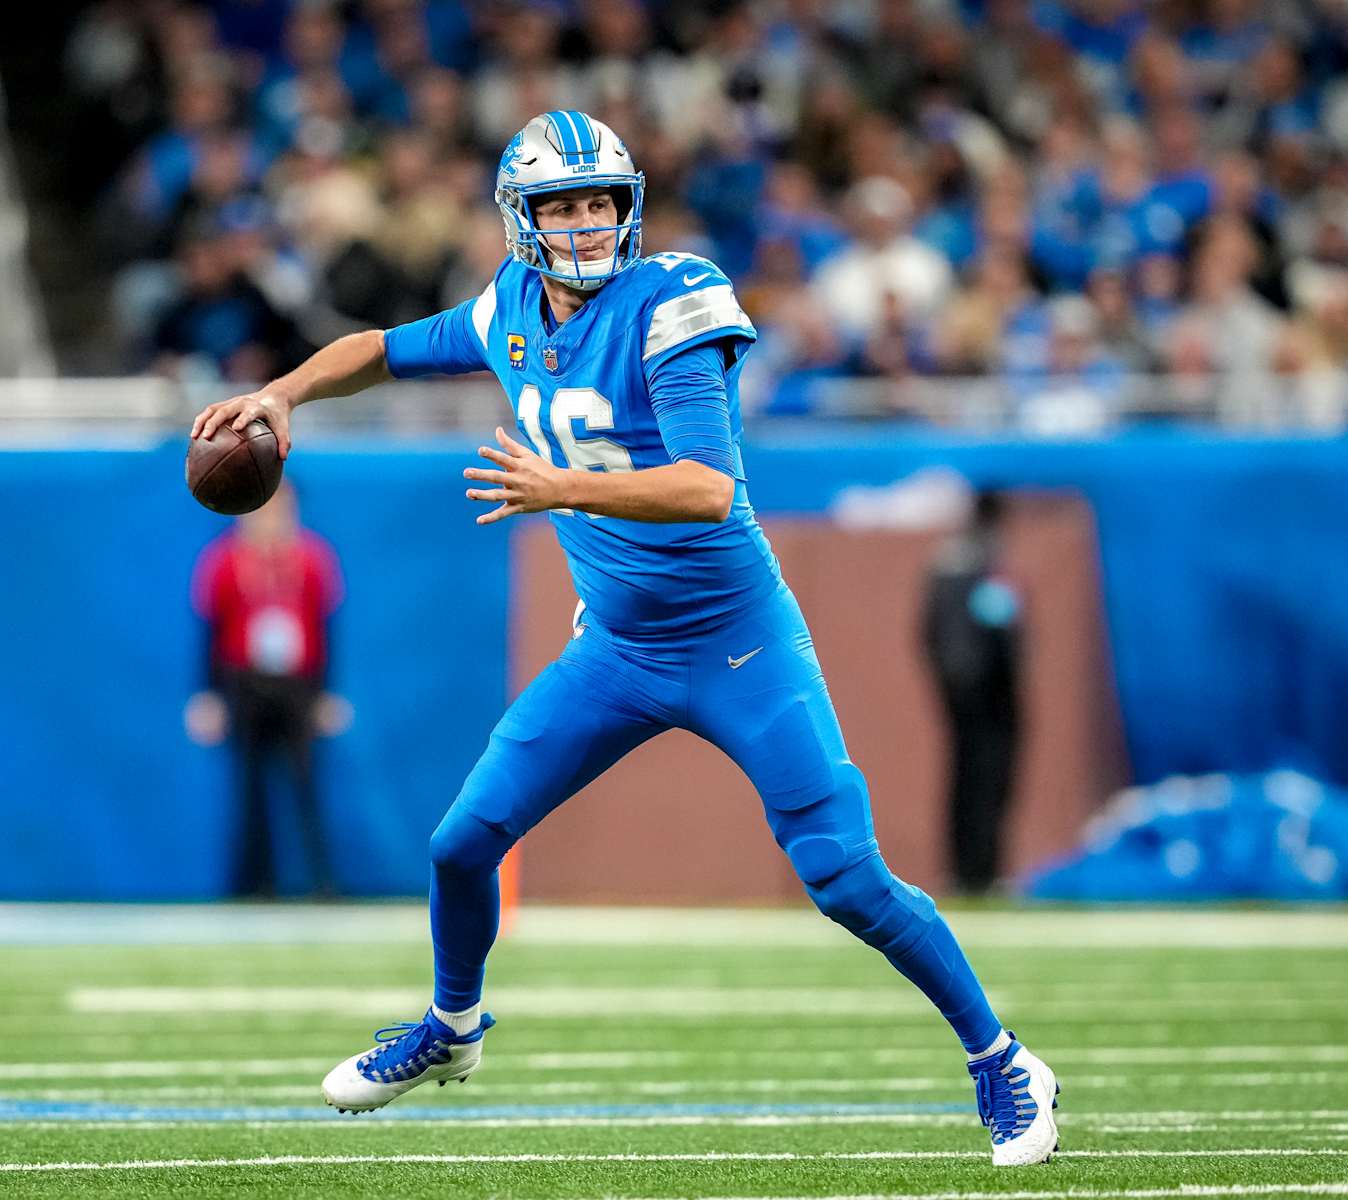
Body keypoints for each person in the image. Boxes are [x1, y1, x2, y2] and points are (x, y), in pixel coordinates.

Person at [191, 110, 1061, 1167]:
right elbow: (382, 350)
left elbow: (707, 486)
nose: (589, 221)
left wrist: (564, 487)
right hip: (617, 649)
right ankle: (452, 1029)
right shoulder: (507, 307)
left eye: (601, 199)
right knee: (461, 844)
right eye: (565, 204)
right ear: (523, 219)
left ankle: (1003, 1060)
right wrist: (282, 393)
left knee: (843, 874)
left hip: (735, 638)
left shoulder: (671, 302)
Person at [187, 479, 343, 898]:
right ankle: (255, 884)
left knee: (305, 784)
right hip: (245, 681)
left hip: (298, 684)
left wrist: (326, 693)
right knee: (249, 787)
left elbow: (326, 629)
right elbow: (210, 632)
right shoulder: (224, 560)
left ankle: (322, 882)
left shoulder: (311, 558)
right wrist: (209, 695)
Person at [924, 491, 1024, 895]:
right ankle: (980, 871)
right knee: (986, 779)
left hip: (959, 692)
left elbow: (930, 633)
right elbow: (996, 633)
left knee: (965, 778)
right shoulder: (982, 564)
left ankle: (967, 870)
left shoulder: (947, 563)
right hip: (988, 696)